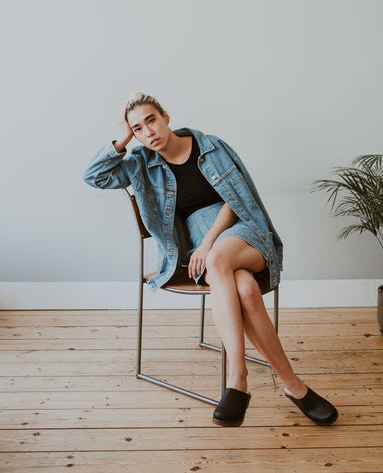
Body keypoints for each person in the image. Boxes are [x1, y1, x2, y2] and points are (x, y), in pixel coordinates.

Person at [84, 91, 338, 427]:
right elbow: (95, 176)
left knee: (218, 260)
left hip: (242, 230)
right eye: (138, 129)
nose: (149, 132)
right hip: (204, 248)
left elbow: (239, 197)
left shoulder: (211, 147)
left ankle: (238, 379)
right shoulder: (141, 162)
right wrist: (123, 137)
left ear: (166, 117)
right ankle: (295, 387)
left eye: (151, 120)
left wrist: (207, 244)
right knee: (244, 289)